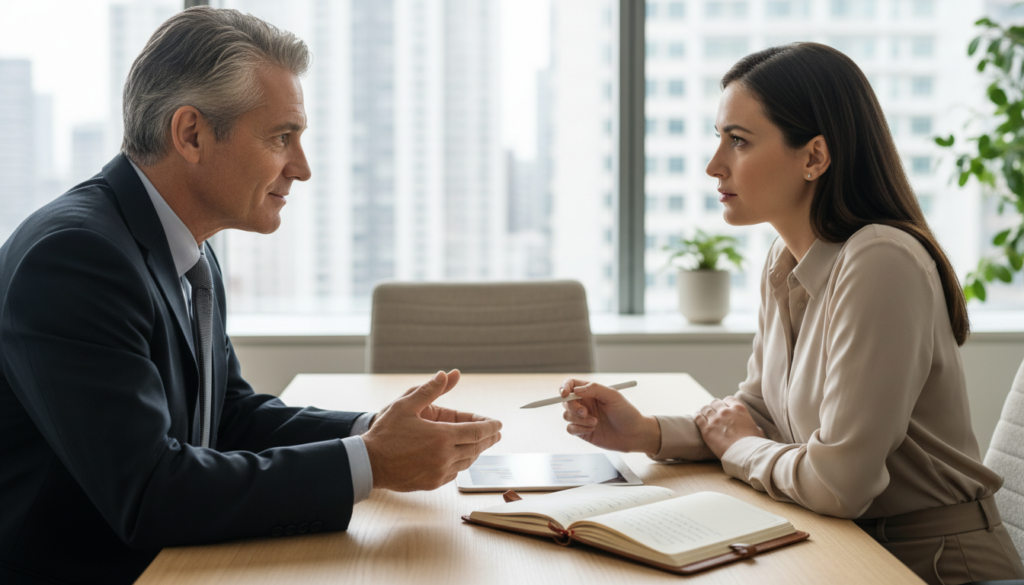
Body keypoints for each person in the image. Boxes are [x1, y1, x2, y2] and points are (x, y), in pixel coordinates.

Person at [0, 8, 501, 585]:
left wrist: (376, 429)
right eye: (282, 137)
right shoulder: (76, 258)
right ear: (191, 134)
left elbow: (229, 417)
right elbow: (149, 492)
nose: (302, 168)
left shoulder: (185, 246)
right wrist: (372, 462)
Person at [559, 43, 1024, 585]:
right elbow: (761, 413)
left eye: (738, 141)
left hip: (932, 567)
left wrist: (739, 447)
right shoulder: (785, 260)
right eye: (719, 138)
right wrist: (645, 433)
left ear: (814, 157)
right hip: (847, 549)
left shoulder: (881, 260)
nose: (714, 165)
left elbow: (839, 484)